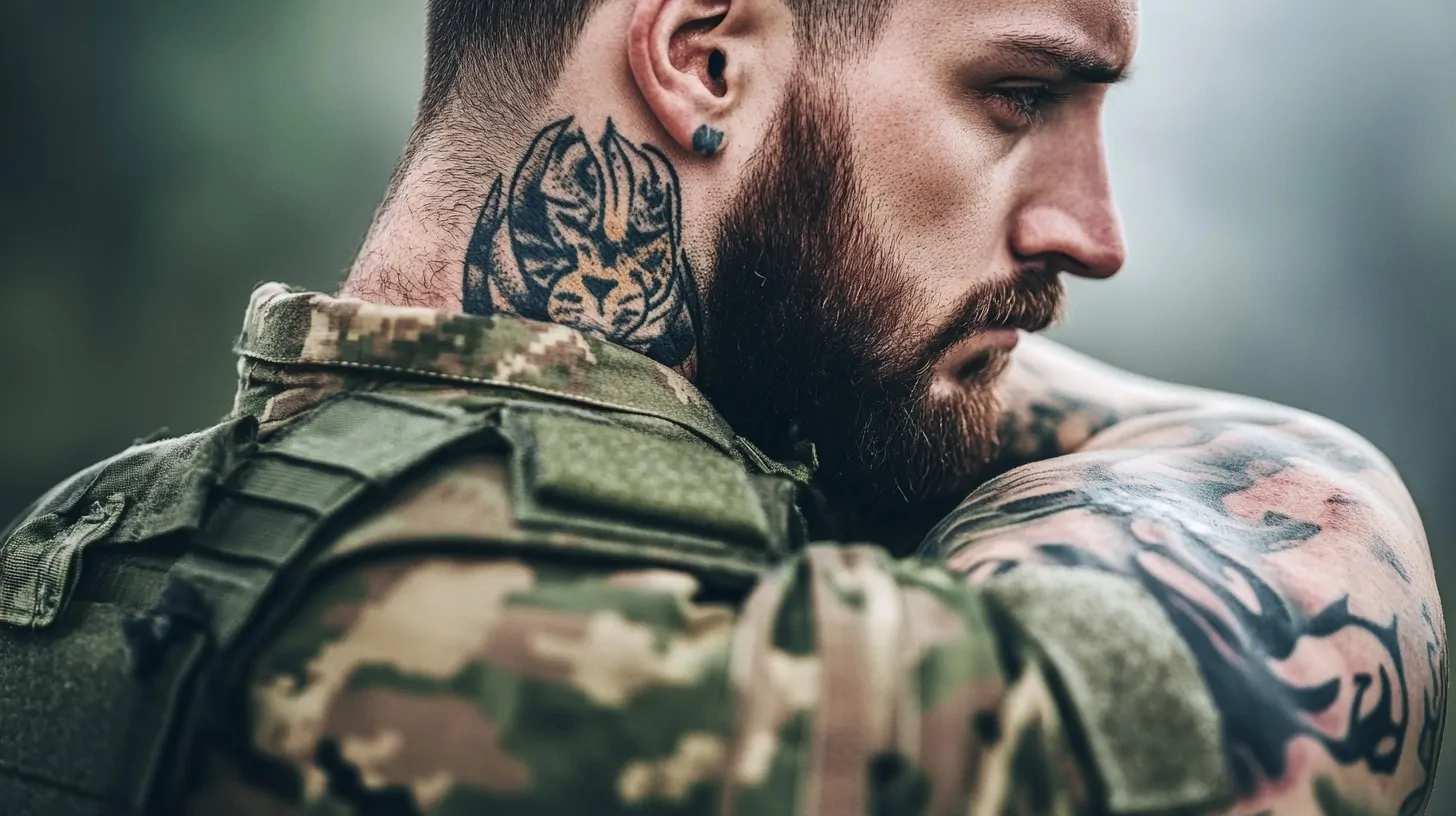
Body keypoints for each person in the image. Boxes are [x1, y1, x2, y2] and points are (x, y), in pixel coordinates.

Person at [0, 0, 1441, 814]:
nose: (1091, 230)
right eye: (1018, 97)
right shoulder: (663, 692)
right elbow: (1274, 595)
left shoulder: (78, 562)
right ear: (702, 58)